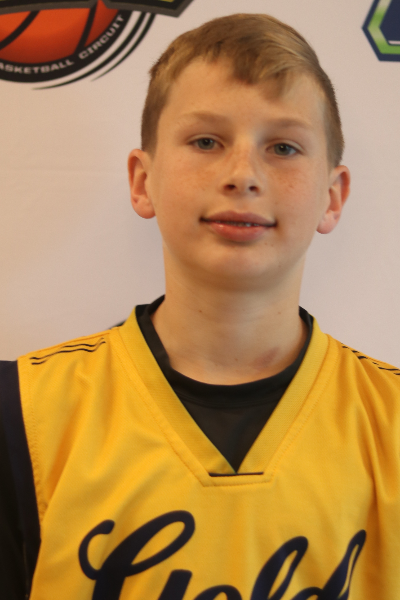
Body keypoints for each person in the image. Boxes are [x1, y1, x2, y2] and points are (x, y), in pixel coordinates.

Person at [0, 12, 399, 600]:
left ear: (332, 196)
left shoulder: (390, 422)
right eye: (206, 141)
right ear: (143, 181)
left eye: (283, 147)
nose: (243, 175)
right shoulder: (23, 414)